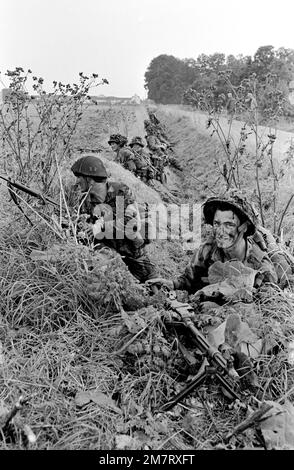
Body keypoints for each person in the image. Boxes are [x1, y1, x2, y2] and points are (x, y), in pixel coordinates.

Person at [146, 190, 278, 294]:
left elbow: (266, 307)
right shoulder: (208, 250)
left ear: (243, 227)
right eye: (217, 223)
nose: (220, 232)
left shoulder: (261, 265)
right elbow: (188, 280)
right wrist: (172, 284)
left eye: (229, 225)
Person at [71, 155, 157, 283]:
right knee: (115, 286)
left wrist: (100, 227)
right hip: (107, 252)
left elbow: (130, 223)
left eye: (79, 178)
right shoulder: (84, 201)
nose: (77, 182)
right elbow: (86, 227)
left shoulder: (120, 191)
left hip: (131, 250)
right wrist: (81, 228)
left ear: (90, 180)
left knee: (153, 283)